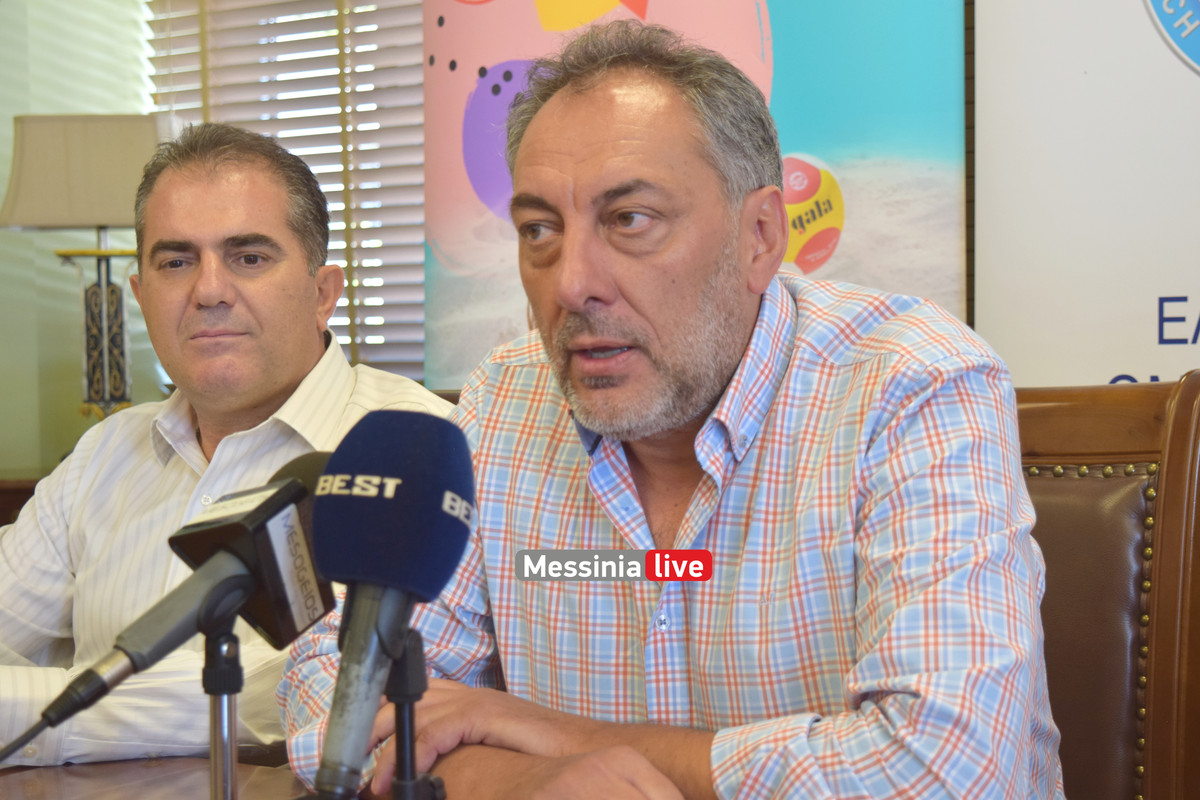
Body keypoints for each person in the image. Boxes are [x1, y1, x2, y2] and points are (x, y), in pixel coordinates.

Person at [281, 20, 1064, 799]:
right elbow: (331, 698)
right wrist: (521, 779)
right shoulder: (506, 401)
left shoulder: (913, 385)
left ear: (760, 236)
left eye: (630, 220)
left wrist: (562, 737)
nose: (571, 284)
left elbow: (945, 772)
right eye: (539, 230)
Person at [0, 122, 452, 766]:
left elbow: (300, 691)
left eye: (249, 257)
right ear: (141, 296)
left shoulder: (418, 452)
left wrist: (35, 713)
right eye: (176, 262)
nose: (209, 290)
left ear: (324, 294)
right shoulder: (102, 455)